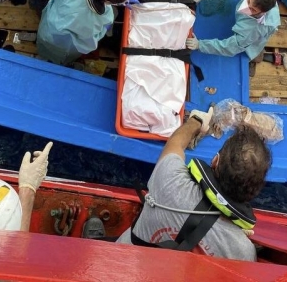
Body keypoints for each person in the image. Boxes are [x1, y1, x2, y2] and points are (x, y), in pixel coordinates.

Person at [115, 107, 272, 261]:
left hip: (119, 266)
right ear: (256, 189)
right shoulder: (243, 252)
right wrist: (235, 235)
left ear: (215, 160)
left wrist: (196, 121)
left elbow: (176, 142)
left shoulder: (171, 179)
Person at [36, 0, 132, 66]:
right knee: (57, 58)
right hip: (61, 45)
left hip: (47, 27)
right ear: (109, 1)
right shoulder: (104, 19)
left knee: (43, 47)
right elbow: (88, 45)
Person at [187, 0, 280, 60]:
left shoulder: (255, 30)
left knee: (250, 44)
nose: (246, 7)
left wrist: (200, 45)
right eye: (248, 1)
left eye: (253, 9)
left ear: (262, 12)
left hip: (259, 29)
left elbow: (230, 47)